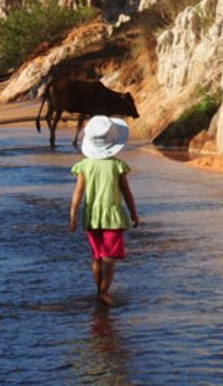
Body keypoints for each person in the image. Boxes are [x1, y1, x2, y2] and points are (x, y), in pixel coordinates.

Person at [69, 114, 140, 305]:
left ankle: (98, 290)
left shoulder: (84, 165)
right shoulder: (117, 166)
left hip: (91, 216)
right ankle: (104, 291)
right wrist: (134, 214)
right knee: (110, 257)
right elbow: (127, 193)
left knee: (97, 256)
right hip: (113, 217)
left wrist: (73, 215)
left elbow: (78, 192)